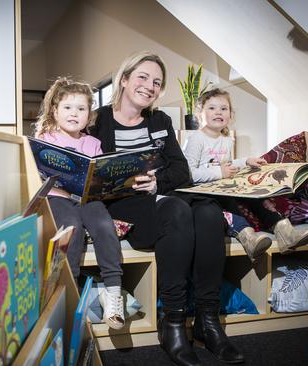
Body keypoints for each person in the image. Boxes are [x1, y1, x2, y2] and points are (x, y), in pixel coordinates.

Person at [90, 51, 244, 365]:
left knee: (209, 213)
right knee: (177, 211)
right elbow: (88, 172)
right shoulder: (98, 120)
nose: (149, 86)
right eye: (142, 77)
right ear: (124, 79)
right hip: (124, 206)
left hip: (158, 197)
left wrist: (156, 182)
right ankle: (173, 321)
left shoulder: (160, 120)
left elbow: (181, 171)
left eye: (156, 82)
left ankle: (207, 320)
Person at [34, 77, 125, 330]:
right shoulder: (46, 138)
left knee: (105, 226)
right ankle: (71, 295)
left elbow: (100, 178)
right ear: (55, 110)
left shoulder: (93, 143)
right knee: (71, 228)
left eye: (81, 109)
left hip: (88, 199)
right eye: (67, 107)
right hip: (58, 198)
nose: (74, 113)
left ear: (89, 114)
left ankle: (113, 292)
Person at [184, 88, 308, 258]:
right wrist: (220, 172)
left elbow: (227, 165)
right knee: (228, 204)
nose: (218, 112)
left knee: (257, 195)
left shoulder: (226, 140)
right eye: (212, 108)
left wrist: (246, 161)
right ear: (199, 114)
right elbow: (188, 174)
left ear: (230, 115)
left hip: (223, 185)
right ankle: (248, 238)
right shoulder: (196, 139)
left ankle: (285, 232)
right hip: (203, 191)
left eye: (224, 109)